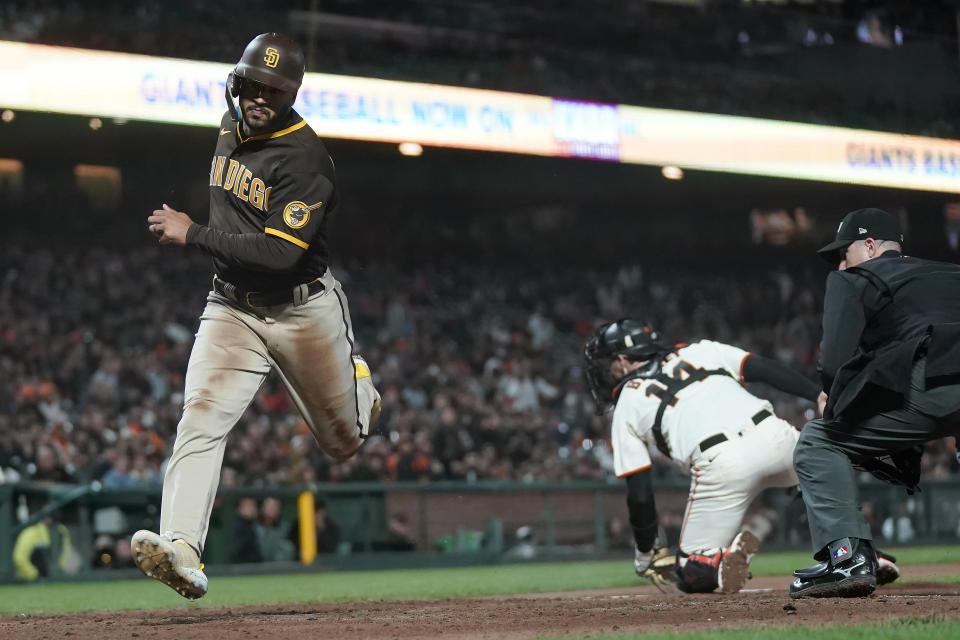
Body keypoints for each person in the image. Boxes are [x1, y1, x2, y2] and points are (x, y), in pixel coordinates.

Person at [131, 32, 381, 600]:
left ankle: (360, 385)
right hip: (231, 308)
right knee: (200, 416)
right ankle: (182, 550)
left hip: (303, 309)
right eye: (251, 84)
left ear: (292, 95)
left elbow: (281, 253)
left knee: (342, 443)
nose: (259, 97)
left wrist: (192, 231)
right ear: (236, 82)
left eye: (273, 89)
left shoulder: (305, 159)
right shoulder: (231, 119)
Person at [790, 208, 960, 598]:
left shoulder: (856, 277)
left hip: (936, 375)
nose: (840, 261)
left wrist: (833, 402)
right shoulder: (950, 271)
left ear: (869, 246)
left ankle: (847, 557)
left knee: (818, 440)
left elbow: (833, 361)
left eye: (844, 251)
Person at [584, 318, 822, 594]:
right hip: (777, 434)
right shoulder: (699, 350)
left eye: (608, 361)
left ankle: (719, 563)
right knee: (820, 491)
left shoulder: (627, 400)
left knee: (691, 573)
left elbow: (639, 492)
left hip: (723, 464)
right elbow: (763, 368)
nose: (607, 370)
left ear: (624, 360)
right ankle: (856, 550)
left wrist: (646, 553)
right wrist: (816, 393)